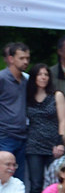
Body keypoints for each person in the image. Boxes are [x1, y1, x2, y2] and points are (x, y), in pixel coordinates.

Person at [25, 64, 65, 193]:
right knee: (35, 185)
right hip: (33, 144)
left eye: (46, 74)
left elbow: (63, 121)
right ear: (34, 77)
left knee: (56, 184)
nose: (43, 77)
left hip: (53, 145)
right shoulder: (28, 97)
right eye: (39, 74)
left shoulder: (57, 95)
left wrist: (60, 142)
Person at [1, 42, 31, 182]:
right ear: (11, 59)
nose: (25, 61)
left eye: (27, 58)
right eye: (21, 58)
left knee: (18, 180)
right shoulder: (2, 78)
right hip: (5, 136)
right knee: (3, 177)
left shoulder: (26, 80)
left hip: (22, 136)